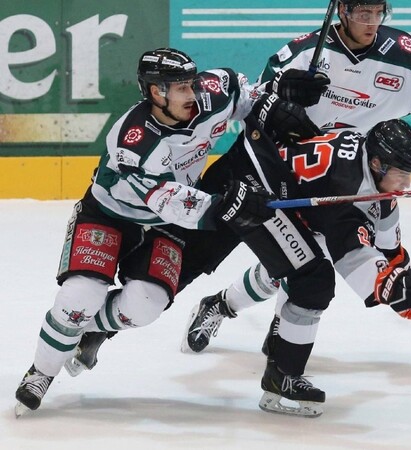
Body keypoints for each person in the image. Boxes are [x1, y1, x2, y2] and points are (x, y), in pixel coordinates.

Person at [13, 47, 319, 416]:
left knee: (145, 306)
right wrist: (224, 205)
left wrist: (283, 91)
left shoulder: (214, 90)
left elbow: (249, 97)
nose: (192, 94)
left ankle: (78, 328)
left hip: (164, 228)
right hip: (110, 216)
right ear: (156, 92)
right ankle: (42, 371)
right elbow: (169, 199)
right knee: (81, 294)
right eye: (180, 88)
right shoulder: (134, 139)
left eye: (190, 84)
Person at [183, 0, 411, 356]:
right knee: (299, 262)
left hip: (361, 177)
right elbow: (256, 103)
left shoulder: (403, 53)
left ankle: (238, 310)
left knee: (303, 260)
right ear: (342, 12)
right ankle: (228, 307)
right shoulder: (304, 53)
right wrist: (284, 94)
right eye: (362, 13)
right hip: (294, 174)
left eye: (377, 13)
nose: (371, 22)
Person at [241, 118, 411, 416]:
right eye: (401, 174)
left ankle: (266, 344)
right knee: (311, 280)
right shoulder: (345, 186)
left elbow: (390, 251)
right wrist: (394, 291)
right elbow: (352, 256)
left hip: (305, 209)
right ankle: (269, 359)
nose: (407, 184)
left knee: (292, 274)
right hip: (259, 197)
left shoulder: (374, 183)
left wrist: (407, 284)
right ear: (376, 163)